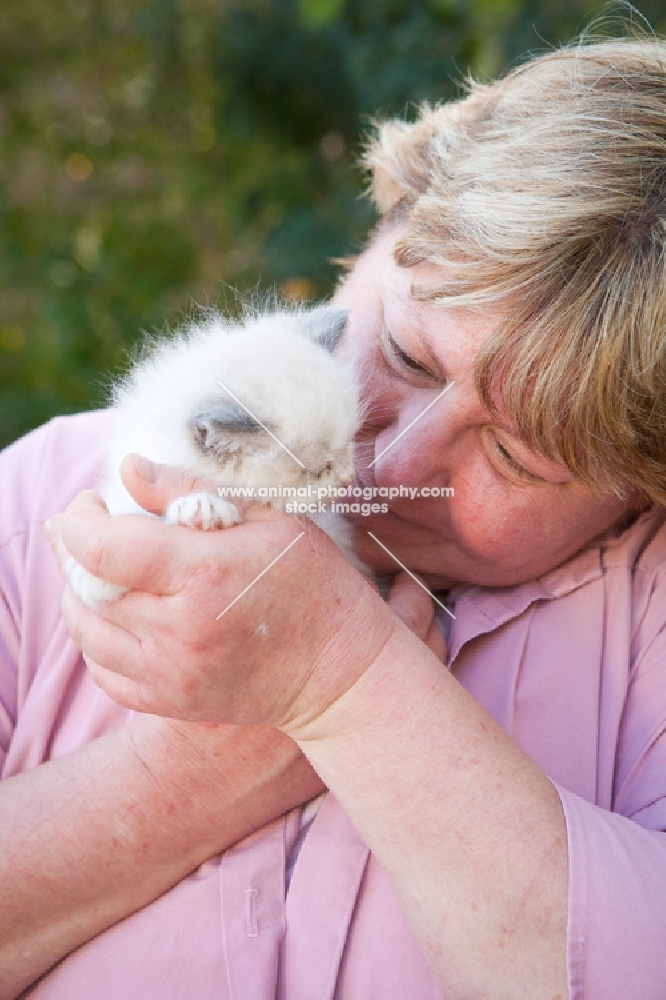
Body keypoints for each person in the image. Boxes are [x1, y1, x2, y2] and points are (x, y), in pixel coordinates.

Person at [2, 30, 666, 1000]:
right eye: (403, 353)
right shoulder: (43, 493)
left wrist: (345, 686)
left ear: (637, 487)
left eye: (518, 455)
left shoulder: (646, 615)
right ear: (380, 227)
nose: (390, 461)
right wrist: (199, 774)